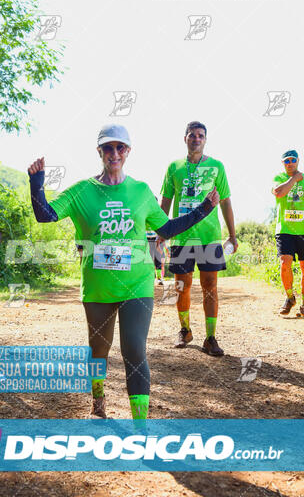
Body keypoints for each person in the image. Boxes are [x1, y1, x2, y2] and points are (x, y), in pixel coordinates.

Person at [28, 124, 219, 420]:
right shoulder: (82, 191)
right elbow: (45, 215)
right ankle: (99, 399)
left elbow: (166, 228)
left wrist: (204, 210)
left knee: (134, 349)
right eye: (108, 147)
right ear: (99, 152)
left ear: (128, 151)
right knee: (99, 351)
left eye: (120, 147)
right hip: (98, 287)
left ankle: (140, 427)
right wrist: (36, 182)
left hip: (137, 285)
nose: (114, 153)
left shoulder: (141, 192)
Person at [159, 121, 238, 357]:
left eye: (201, 135)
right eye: (192, 135)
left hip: (209, 238)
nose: (196, 139)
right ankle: (185, 330)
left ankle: (210, 337)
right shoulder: (174, 167)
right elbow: (165, 202)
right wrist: (161, 233)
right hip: (181, 237)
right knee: (182, 287)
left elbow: (225, 202)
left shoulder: (216, 167)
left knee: (210, 287)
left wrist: (233, 236)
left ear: (205, 140)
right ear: (185, 138)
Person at [272, 150, 304, 317]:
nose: (290, 162)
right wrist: (294, 179)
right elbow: (279, 193)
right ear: (283, 163)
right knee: (285, 263)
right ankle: (290, 297)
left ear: (298, 160)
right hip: (285, 230)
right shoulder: (279, 178)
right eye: (286, 160)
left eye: (293, 159)